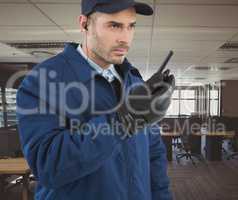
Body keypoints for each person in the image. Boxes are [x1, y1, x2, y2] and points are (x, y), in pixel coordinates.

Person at [16, 0, 175, 199]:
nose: (125, 38)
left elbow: (153, 154)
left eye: (131, 26)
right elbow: (48, 166)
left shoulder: (134, 80)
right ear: (84, 23)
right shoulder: (42, 80)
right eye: (114, 25)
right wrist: (123, 120)